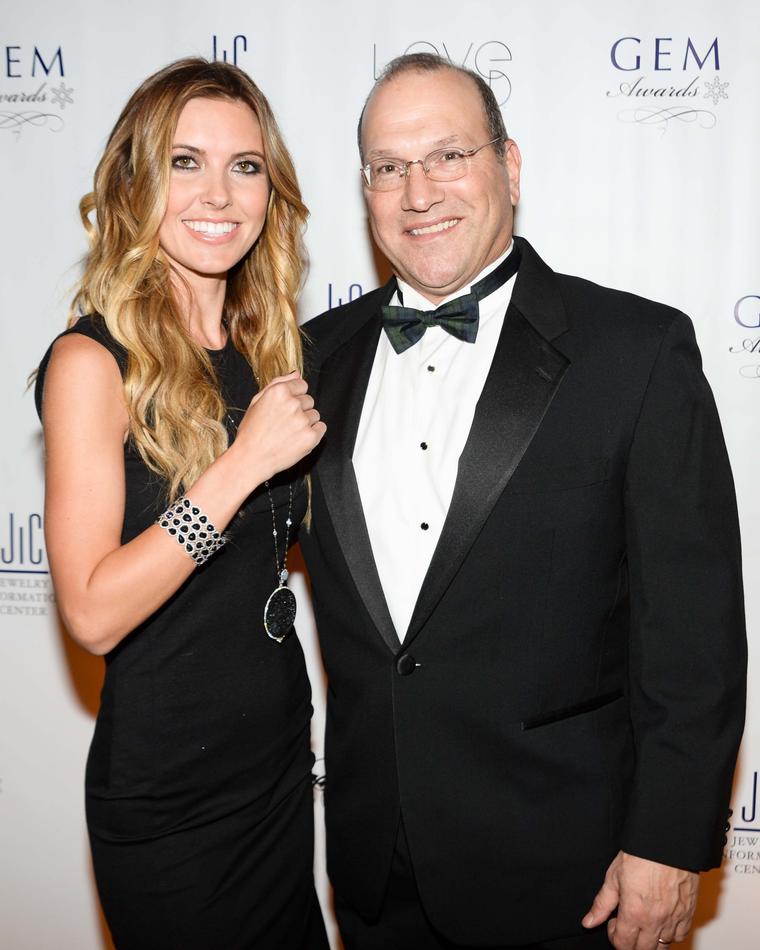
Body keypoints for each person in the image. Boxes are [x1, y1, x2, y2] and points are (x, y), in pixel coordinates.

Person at [300, 53, 746, 950]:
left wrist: (665, 844)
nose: (417, 191)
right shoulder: (312, 357)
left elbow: (692, 633)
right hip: (375, 869)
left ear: (509, 166)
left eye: (447, 156)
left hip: (569, 877)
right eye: (389, 167)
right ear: (365, 189)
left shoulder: (636, 352)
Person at [35, 58, 328, 949]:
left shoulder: (270, 347)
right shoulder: (92, 363)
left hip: (277, 775)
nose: (220, 193)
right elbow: (90, 612)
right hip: (170, 803)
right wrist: (238, 467)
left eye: (245, 166)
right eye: (185, 161)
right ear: (137, 181)